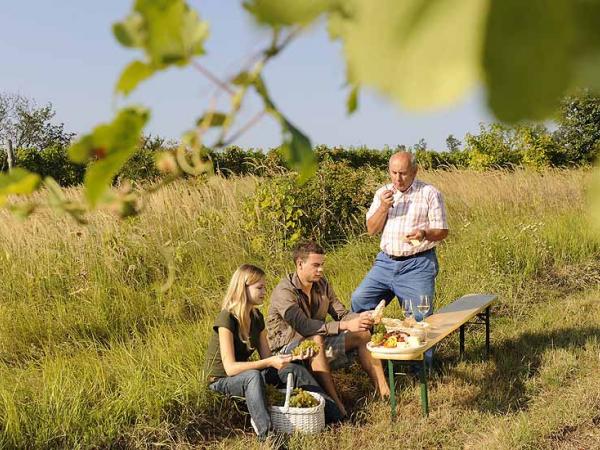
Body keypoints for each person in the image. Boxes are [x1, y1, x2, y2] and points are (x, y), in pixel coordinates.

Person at [205, 264, 342, 441]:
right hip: (221, 381)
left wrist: (293, 357)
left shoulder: (256, 317)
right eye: (259, 287)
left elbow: (268, 358)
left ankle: (333, 414)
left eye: (265, 287)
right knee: (253, 376)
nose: (264, 291)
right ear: (243, 288)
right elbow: (230, 369)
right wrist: (270, 362)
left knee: (293, 369)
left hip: (245, 375)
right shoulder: (227, 317)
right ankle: (267, 436)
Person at [267, 242, 390, 417]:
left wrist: (361, 318)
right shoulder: (284, 291)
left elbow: (341, 314)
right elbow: (304, 326)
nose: (321, 270)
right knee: (316, 339)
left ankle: (384, 391)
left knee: (362, 333)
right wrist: (345, 325)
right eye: (316, 265)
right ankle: (336, 406)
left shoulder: (322, 284)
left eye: (322, 265)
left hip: (317, 343)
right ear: (299, 264)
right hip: (287, 351)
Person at [350, 151, 448, 361]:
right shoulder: (382, 193)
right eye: (393, 173)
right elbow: (371, 229)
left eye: (403, 173)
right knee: (359, 301)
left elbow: (442, 231)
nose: (397, 178)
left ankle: (420, 368)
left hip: (418, 263)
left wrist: (424, 233)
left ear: (414, 171)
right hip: (385, 262)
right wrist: (384, 207)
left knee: (419, 318)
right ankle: (372, 355)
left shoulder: (429, 193)